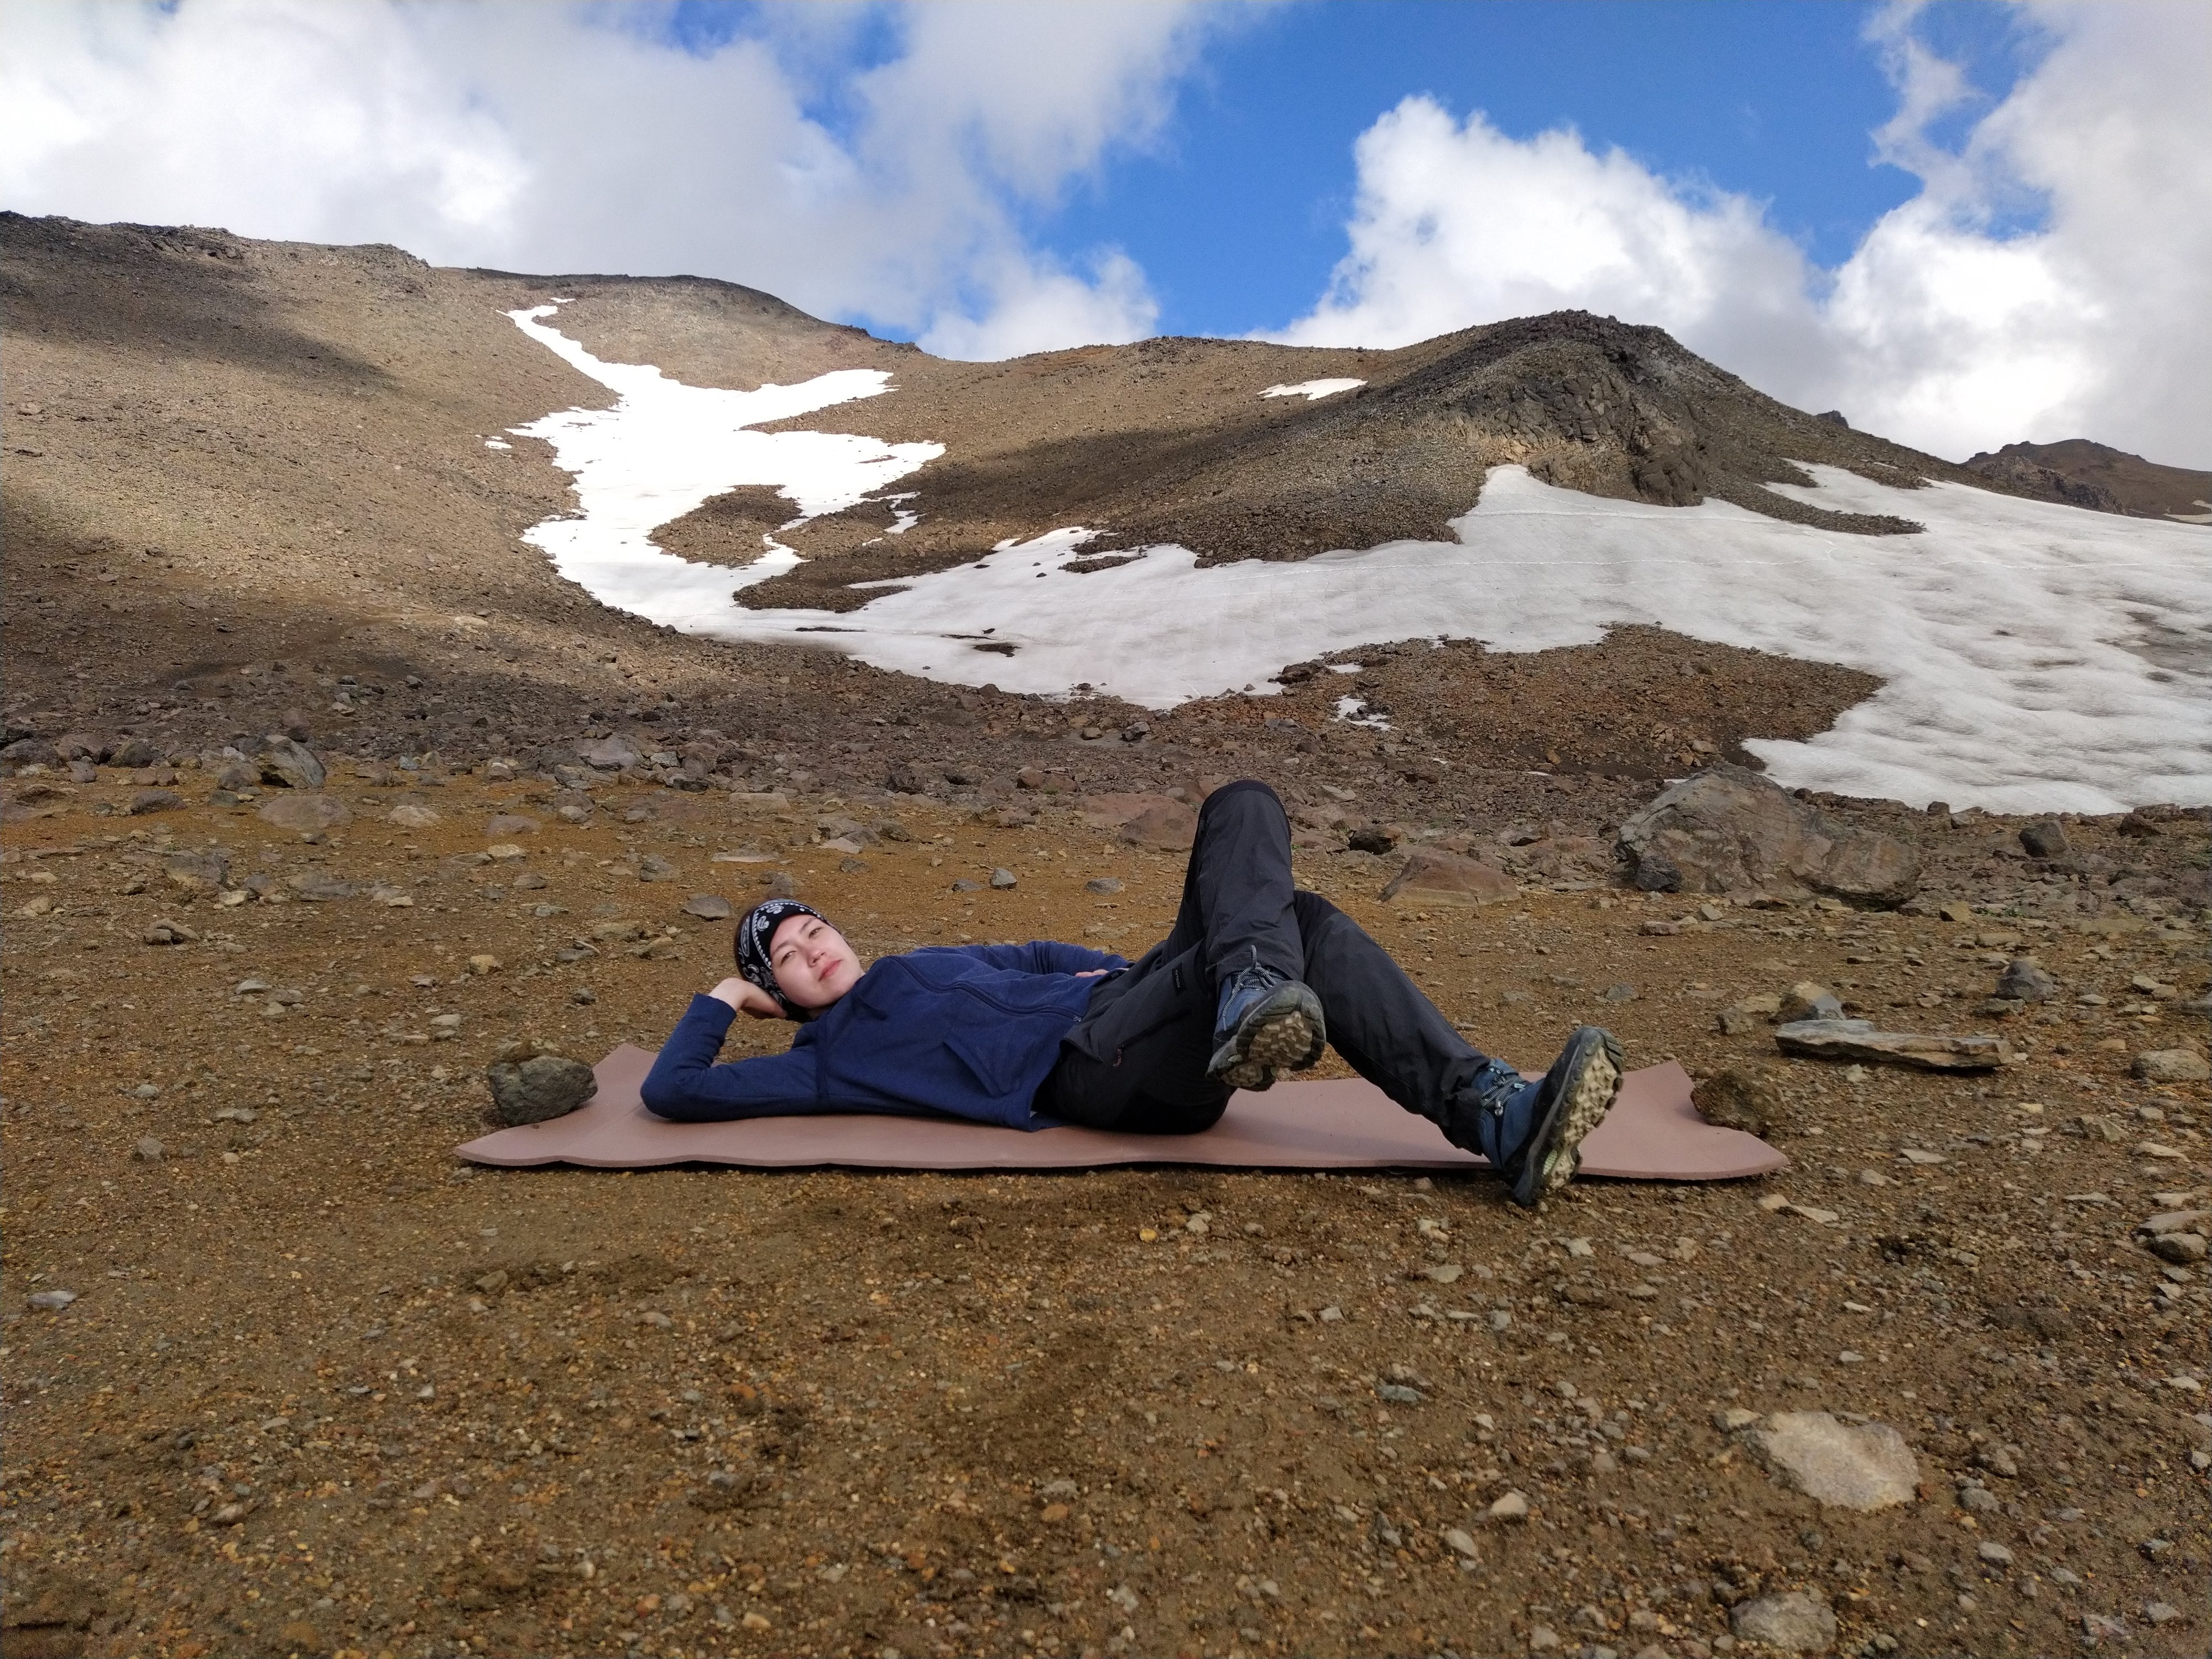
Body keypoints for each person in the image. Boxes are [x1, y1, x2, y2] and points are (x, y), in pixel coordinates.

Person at [642, 780, 1624, 1208]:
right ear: (781, 994)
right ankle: (1255, 996)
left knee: (1255, 824)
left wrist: (1116, 970)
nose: (814, 950)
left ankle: (1492, 1114)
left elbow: (1035, 952)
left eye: (814, 929)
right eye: (788, 958)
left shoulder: (918, 965)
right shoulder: (826, 1061)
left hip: (1126, 1010)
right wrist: (724, 995)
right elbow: (674, 1092)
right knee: (1281, 929)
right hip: (1092, 1070)